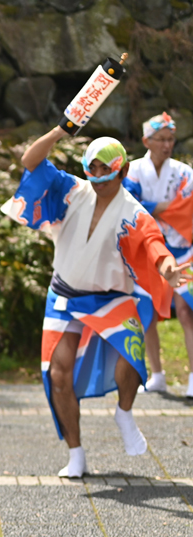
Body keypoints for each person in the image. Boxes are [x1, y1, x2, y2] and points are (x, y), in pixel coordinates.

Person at [1, 126, 190, 478]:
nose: (99, 175)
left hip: (111, 298)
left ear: (122, 170)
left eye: (107, 168)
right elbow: (30, 160)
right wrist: (62, 129)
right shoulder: (72, 190)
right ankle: (76, 453)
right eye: (95, 167)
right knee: (58, 375)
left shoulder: (133, 212)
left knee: (132, 364)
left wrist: (167, 268)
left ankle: (125, 411)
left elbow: (154, 244)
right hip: (64, 294)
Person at [123, 112, 193, 395]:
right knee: (145, 311)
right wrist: (165, 207)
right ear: (146, 141)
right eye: (161, 139)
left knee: (187, 310)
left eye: (170, 139)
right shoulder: (134, 170)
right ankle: (157, 374)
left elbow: (186, 210)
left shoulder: (185, 172)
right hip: (146, 250)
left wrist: (153, 207)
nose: (167, 145)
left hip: (183, 248)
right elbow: (131, 204)